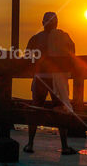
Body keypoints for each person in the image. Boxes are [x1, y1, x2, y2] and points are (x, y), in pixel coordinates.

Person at [24, 12, 77, 155]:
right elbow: (72, 54)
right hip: (57, 79)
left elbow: (27, 57)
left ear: (43, 23)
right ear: (57, 23)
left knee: (35, 109)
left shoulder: (35, 39)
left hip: (40, 77)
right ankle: (65, 146)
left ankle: (30, 144)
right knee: (60, 110)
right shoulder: (64, 36)